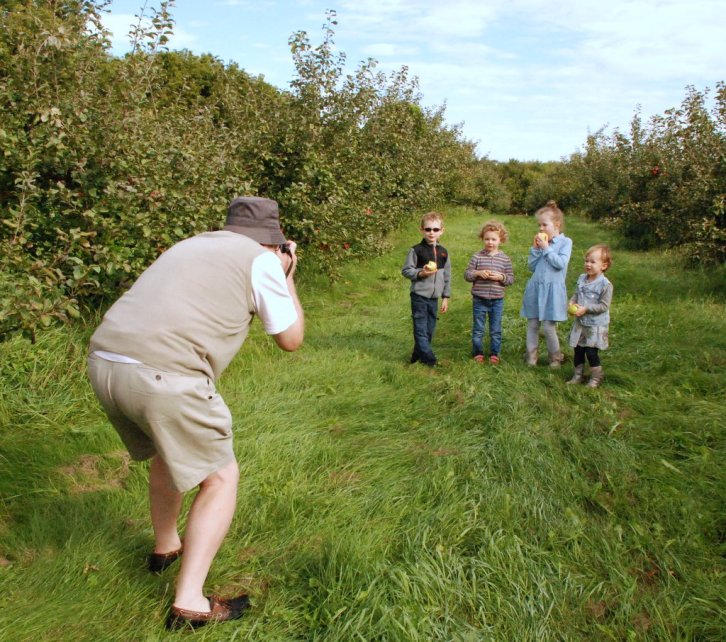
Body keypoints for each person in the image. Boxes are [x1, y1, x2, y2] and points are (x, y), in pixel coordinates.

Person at [87, 196, 304, 630]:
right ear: (273, 241)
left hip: (105, 363)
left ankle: (166, 547)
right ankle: (190, 604)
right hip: (164, 376)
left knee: (168, 451)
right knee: (221, 478)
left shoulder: (190, 244)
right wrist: (288, 276)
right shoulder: (262, 261)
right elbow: (291, 339)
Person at [519, 200, 573, 367]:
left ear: (557, 224)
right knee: (532, 324)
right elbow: (532, 266)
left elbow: (560, 263)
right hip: (536, 289)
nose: (541, 228)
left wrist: (546, 248)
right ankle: (531, 357)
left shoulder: (565, 242)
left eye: (544, 225)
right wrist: (536, 249)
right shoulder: (541, 244)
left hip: (552, 292)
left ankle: (555, 358)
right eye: (539, 225)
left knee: (549, 328)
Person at [401, 211, 451, 367]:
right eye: (428, 229)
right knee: (421, 329)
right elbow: (406, 270)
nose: (431, 233)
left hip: (434, 298)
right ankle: (430, 360)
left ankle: (416, 357)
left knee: (429, 330)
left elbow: (447, 276)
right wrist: (421, 273)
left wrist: (445, 297)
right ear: (422, 230)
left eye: (435, 229)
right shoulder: (416, 250)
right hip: (419, 296)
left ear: (441, 231)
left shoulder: (443, 252)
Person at [464, 219, 514, 364]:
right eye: (487, 239)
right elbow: (467, 275)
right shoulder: (477, 257)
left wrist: (501, 277)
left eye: (494, 239)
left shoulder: (505, 259)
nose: (490, 242)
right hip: (479, 299)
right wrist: (477, 273)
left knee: (495, 329)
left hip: (497, 300)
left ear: (501, 240)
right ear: (482, 238)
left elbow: (510, 279)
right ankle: (478, 352)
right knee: (478, 329)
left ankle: (494, 353)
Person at [566, 244, 613, 388]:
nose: (588, 264)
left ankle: (596, 377)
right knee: (578, 350)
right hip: (581, 323)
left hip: (595, 325)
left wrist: (586, 309)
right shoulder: (582, 278)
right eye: (586, 261)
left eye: (593, 262)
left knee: (591, 352)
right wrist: (572, 302)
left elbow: (604, 306)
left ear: (603, 266)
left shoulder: (605, 285)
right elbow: (577, 294)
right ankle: (578, 375)